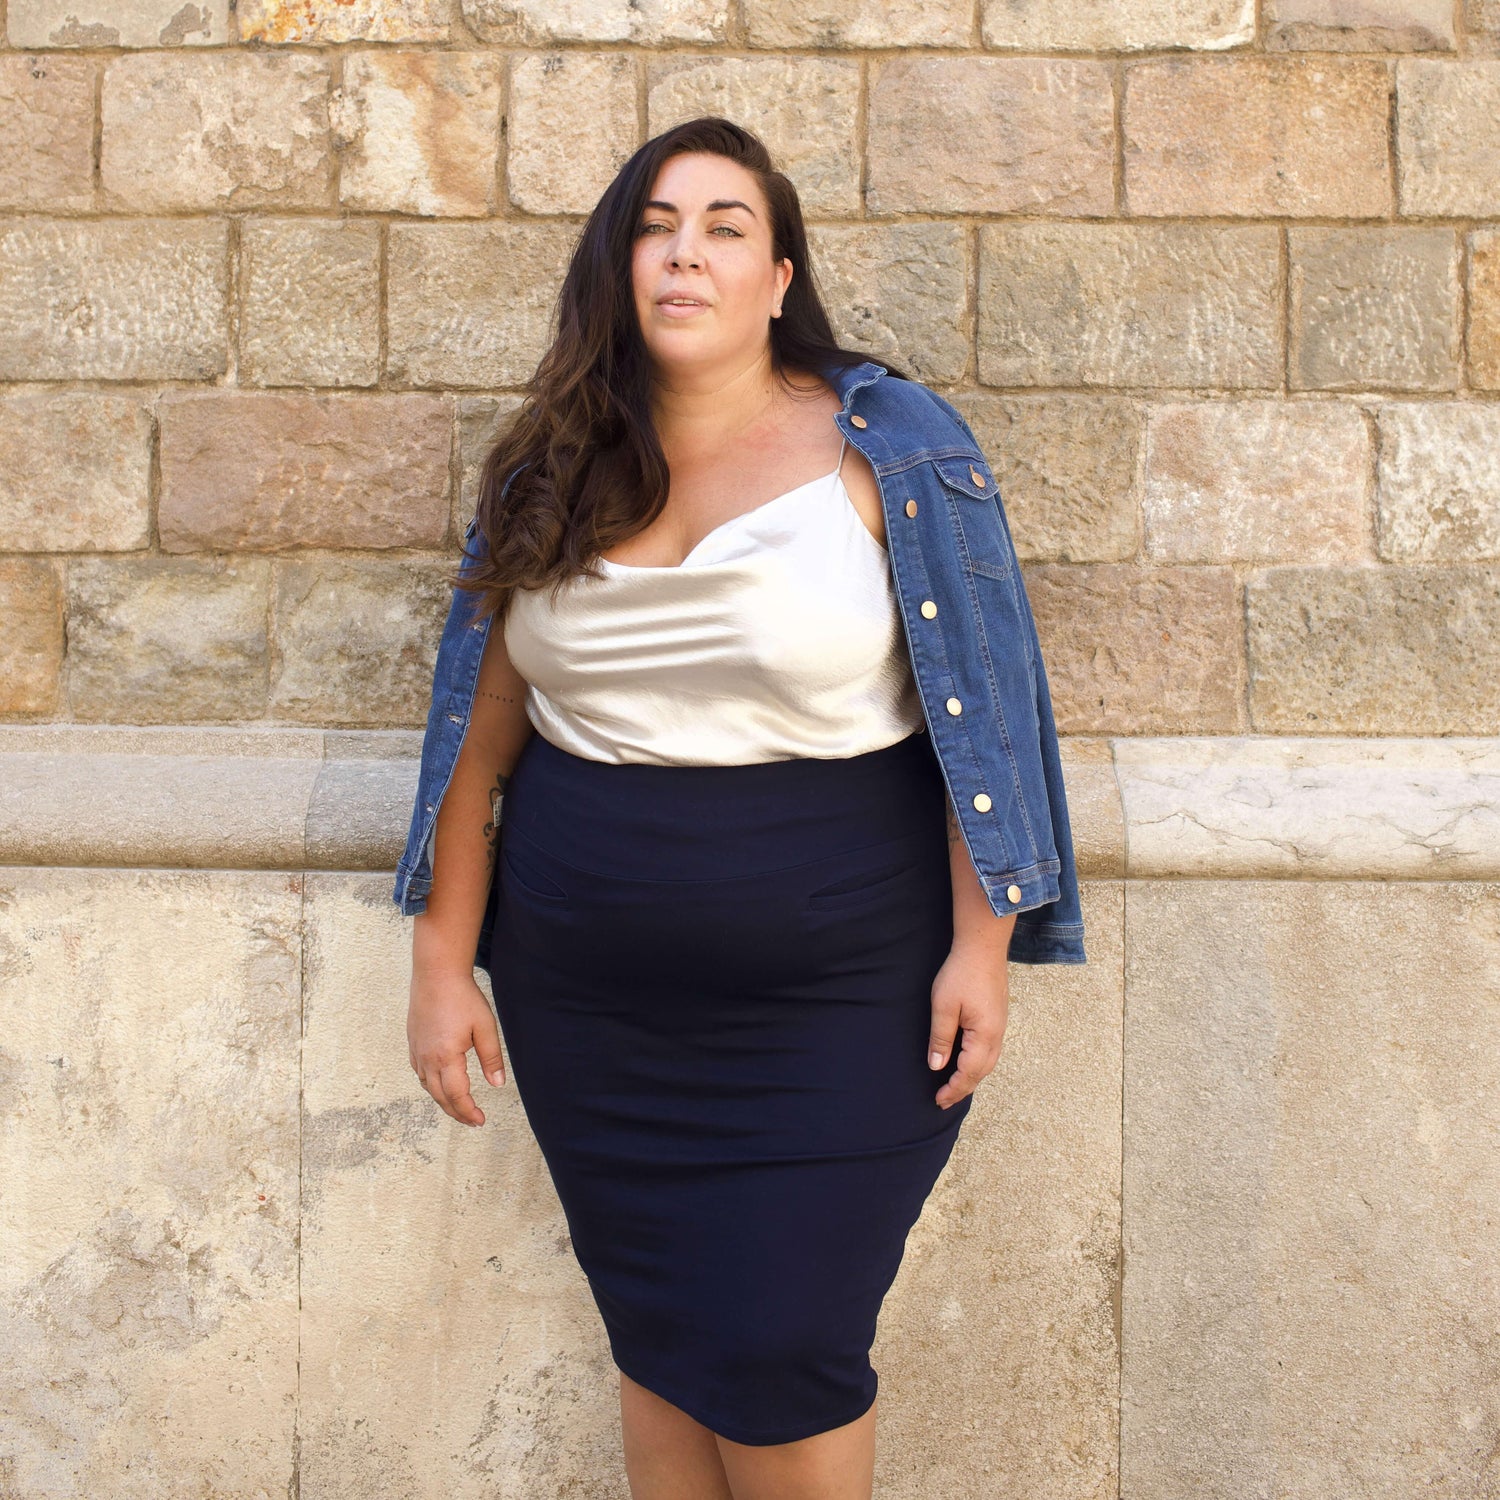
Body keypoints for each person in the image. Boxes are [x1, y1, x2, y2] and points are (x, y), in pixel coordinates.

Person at [394, 116, 1086, 1500]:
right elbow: (484, 728)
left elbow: (987, 707)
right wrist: (440, 961)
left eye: (724, 229)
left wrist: (986, 945)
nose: (685, 255)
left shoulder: (889, 450)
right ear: (618, 268)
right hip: (590, 1004)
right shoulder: (550, 464)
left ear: (778, 280)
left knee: (782, 1347)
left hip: (841, 994)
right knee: (664, 1345)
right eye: (655, 229)